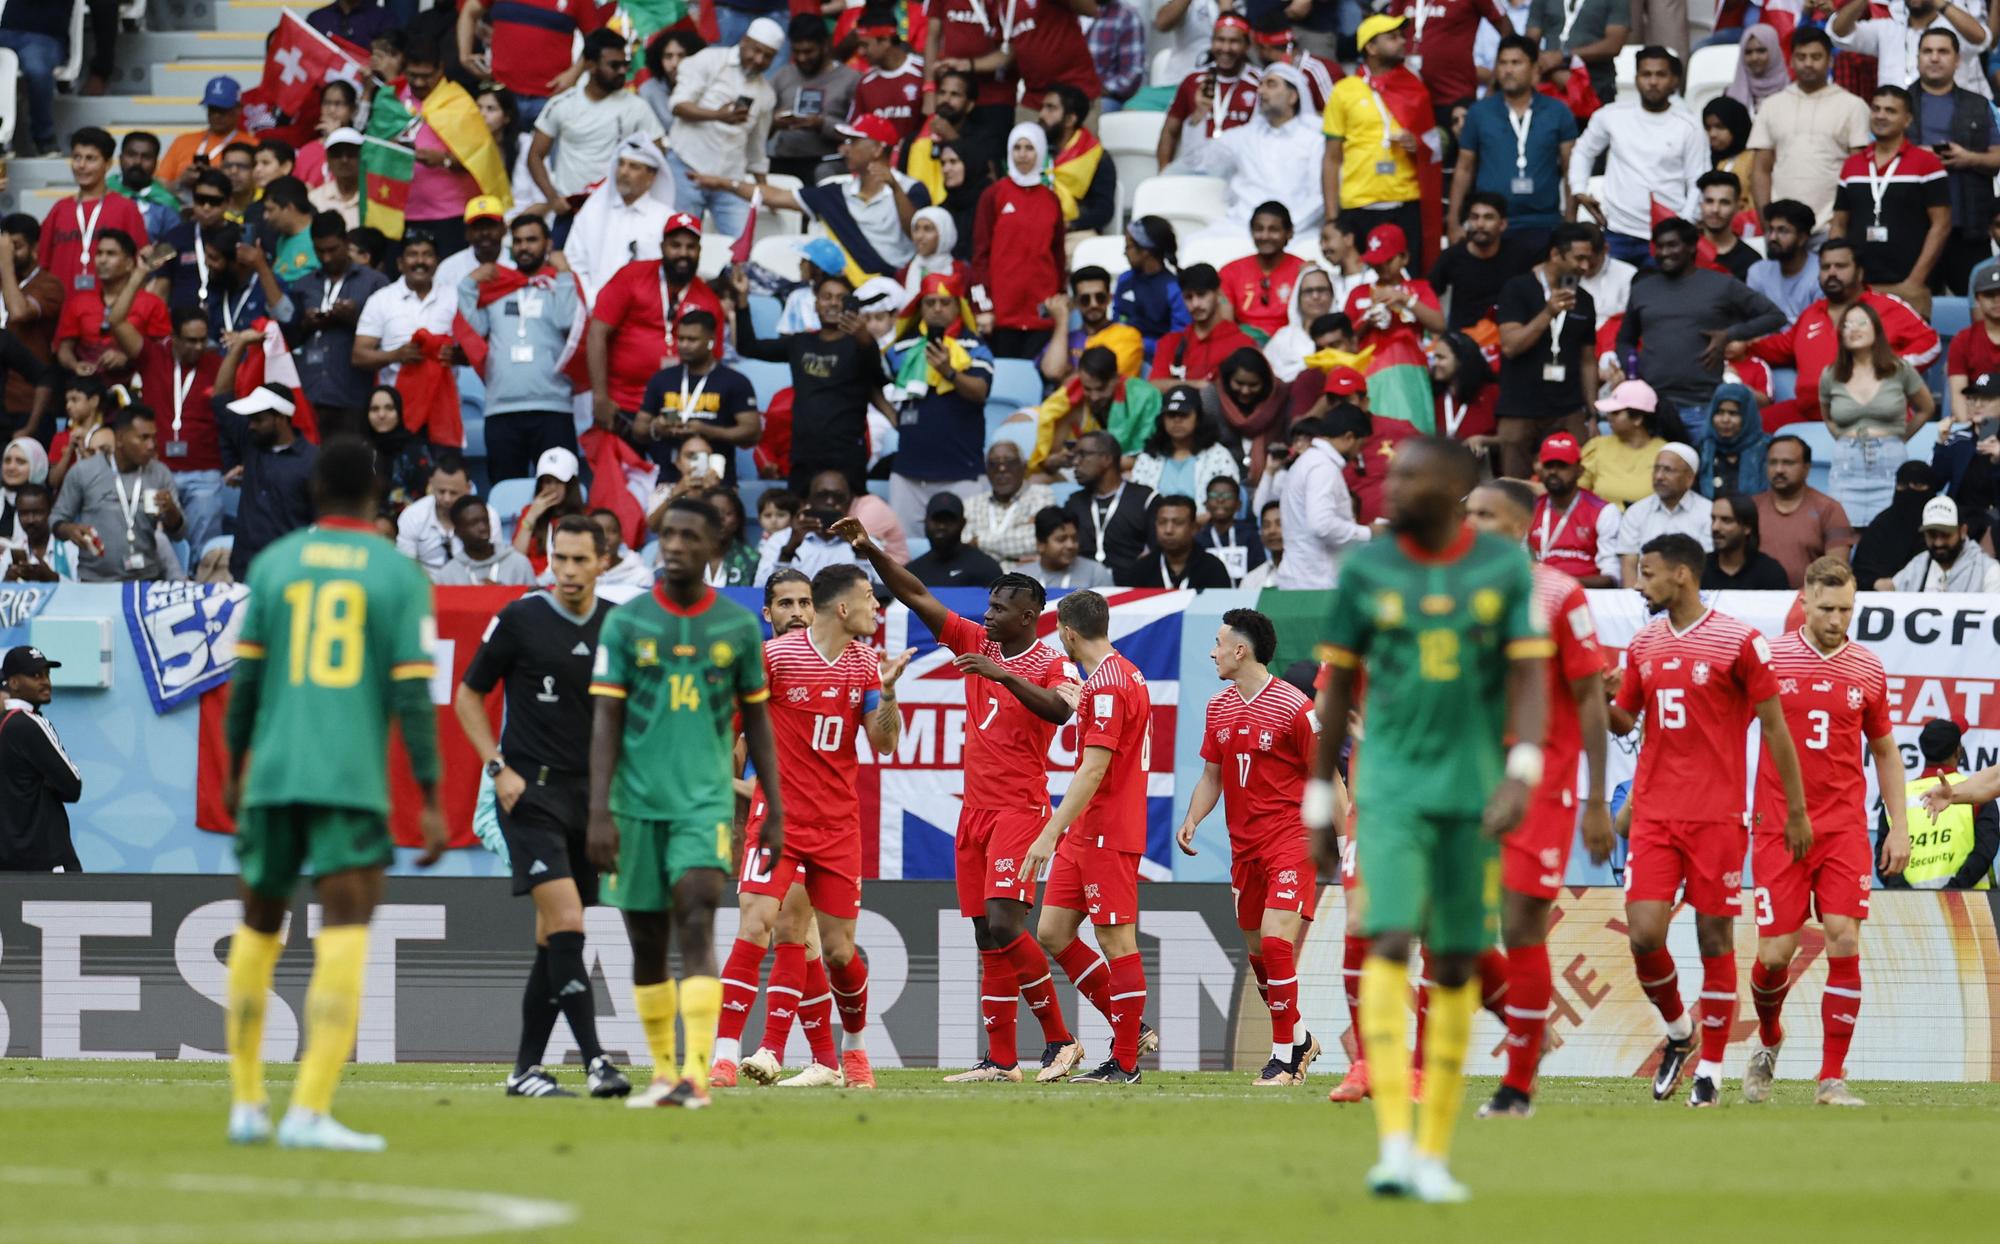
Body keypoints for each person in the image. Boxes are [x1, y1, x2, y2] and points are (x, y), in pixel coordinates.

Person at [1304, 437, 1547, 1197]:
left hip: (1472, 793)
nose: (1390, 483)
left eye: (1408, 473)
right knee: (1390, 937)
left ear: (1452, 486)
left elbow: (1530, 677)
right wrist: (1321, 799)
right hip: (1389, 790)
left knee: (1451, 961)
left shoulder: (1503, 568)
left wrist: (1522, 770)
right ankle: (1394, 1146)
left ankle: (1434, 1154)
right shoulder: (1369, 569)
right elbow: (1335, 692)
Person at [220, 439, 446, 1150]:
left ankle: (249, 1103)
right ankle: (310, 1109)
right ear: (377, 496)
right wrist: (433, 795)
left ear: (314, 492)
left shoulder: (275, 566)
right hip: (349, 781)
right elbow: (415, 695)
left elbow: (245, 686)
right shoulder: (398, 574)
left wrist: (235, 769)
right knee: (344, 932)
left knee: (259, 926)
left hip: (275, 775)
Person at [838, 521, 1091, 1080]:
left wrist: (999, 675)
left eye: (1001, 608)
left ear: (1029, 617)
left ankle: (1061, 1040)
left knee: (1005, 923)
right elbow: (917, 593)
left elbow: (1060, 710)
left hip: (1019, 810)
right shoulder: (976, 640)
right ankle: (1001, 1059)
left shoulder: (1051, 662)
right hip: (974, 812)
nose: (989, 615)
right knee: (984, 932)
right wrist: (869, 549)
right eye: (989, 605)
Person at [585, 497, 781, 1109]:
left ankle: (696, 1076)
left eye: (687, 535)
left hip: (702, 805)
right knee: (645, 942)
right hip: (634, 806)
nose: (673, 545)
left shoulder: (737, 627)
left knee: (696, 922)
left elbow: (759, 721)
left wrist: (774, 804)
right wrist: (597, 813)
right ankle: (665, 1073)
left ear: (713, 546)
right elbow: (605, 722)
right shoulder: (626, 622)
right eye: (666, 534)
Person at [1609, 532, 1807, 1109]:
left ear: (1681, 576)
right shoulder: (1642, 644)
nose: (1639, 583)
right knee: (1644, 933)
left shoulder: (1739, 641)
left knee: (1713, 935)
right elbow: (1625, 723)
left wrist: (1793, 809)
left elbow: (1774, 728)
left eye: (1647, 573)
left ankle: (1711, 1072)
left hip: (1718, 816)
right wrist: (1599, 698)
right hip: (1653, 814)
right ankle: (1679, 1032)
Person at [455, 512, 625, 1095]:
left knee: (553, 936)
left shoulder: (619, 627)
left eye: (581, 559)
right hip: (529, 794)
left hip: (589, 800)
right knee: (569, 922)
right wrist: (496, 768)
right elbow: (468, 697)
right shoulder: (521, 618)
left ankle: (525, 1070)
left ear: (604, 561)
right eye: (560, 558)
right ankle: (597, 1061)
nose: (569, 570)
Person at [1457, 478, 1610, 1117]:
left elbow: (1589, 699)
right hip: (1470, 779)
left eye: (1485, 515)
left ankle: (1517, 1083)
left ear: (1520, 526)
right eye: (1467, 513)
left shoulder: (1559, 594)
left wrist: (1598, 798)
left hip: (1543, 783)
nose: (1472, 524)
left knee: (1518, 922)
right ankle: (1527, 1031)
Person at [726, 562, 904, 1091]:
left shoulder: (861, 665)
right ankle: (771, 1051)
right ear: (768, 612)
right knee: (778, 930)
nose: (797, 614)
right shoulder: (767, 663)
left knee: (820, 945)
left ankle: (819, 1052)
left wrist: (889, 692)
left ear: (820, 606)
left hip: (828, 823)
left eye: (804, 603)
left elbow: (886, 744)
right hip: (771, 821)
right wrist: (754, 806)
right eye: (787, 604)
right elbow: (727, 756)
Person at [1739, 556, 1908, 1109]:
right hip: (1779, 828)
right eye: (1829, 608)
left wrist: (1897, 826)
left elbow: (1884, 751)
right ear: (1805, 602)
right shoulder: (1770, 657)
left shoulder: (1868, 667)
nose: (1839, 619)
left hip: (1842, 828)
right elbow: (1727, 727)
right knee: (1774, 954)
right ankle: (1769, 1038)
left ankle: (1830, 1078)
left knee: (1843, 935)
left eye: (1847, 609)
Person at [1176, 608, 1328, 1086]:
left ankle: (1284, 1058)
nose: (1212, 652)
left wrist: (1343, 840)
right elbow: (1212, 776)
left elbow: (1328, 778)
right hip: (1245, 851)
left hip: (1290, 841)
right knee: (1261, 954)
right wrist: (1193, 818)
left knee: (1278, 945)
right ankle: (1300, 1038)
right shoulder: (1218, 706)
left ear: (1240, 650)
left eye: (1219, 643)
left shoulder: (1296, 707)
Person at [1017, 588, 1158, 1085]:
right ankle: (1130, 1028)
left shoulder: (1109, 686)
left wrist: (1048, 834)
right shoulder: (1119, 676)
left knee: (1116, 940)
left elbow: (1095, 769)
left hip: (1107, 830)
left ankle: (1124, 1063)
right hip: (1088, 831)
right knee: (1053, 931)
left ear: (1068, 632)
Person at [1743, 240, 1941, 430]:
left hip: (1868, 413)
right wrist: (1743, 345)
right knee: (1749, 426)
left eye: (1840, 266)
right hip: (1809, 412)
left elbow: (1930, 343)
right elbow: (1781, 346)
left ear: (1860, 272)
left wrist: (1887, 369)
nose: (1831, 273)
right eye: (1825, 267)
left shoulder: (1887, 306)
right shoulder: (1811, 313)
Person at [1615, 217, 1784, 436]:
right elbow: (1624, 339)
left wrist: (1729, 334)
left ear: (1692, 247)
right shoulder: (1642, 289)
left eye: (1672, 245)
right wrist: (1631, 369)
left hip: (1703, 406)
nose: (1664, 252)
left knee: (1705, 471)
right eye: (1660, 246)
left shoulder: (1722, 284)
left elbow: (1774, 316)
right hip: (1654, 406)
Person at [729, 265, 879, 496]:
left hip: (846, 455)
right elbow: (748, 346)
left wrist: (867, 342)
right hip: (804, 455)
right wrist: (742, 299)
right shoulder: (800, 343)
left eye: (841, 298)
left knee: (848, 524)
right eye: (826, 297)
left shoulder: (860, 344)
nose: (833, 303)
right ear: (815, 304)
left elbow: (878, 377)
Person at [458, 217, 582, 483]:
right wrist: (468, 284)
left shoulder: (559, 284)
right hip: (501, 409)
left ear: (548, 244)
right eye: (518, 241)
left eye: (532, 240)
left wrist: (564, 275)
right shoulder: (496, 286)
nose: (524, 247)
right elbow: (473, 333)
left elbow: (568, 322)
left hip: (553, 407)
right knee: (504, 490)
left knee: (558, 493)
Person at [1568, 48, 1705, 268]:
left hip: (1665, 236)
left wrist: (1683, 227)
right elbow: (1583, 151)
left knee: (1659, 301)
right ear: (1636, 79)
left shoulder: (1689, 126)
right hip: (1616, 232)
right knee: (1612, 301)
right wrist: (1579, 189)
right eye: (1646, 74)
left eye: (1660, 75)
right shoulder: (1611, 115)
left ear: (1674, 81)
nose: (1652, 82)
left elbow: (1698, 181)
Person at [589, 215, 727, 428]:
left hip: (676, 411)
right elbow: (597, 332)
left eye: (691, 247)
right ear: (662, 246)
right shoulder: (632, 276)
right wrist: (600, 397)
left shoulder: (708, 300)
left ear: (699, 251)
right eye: (675, 245)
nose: (683, 253)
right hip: (621, 404)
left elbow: (713, 360)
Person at [1321, 15, 1437, 269]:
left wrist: (1417, 144)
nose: (1401, 42)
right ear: (1370, 48)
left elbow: (1434, 142)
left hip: (1405, 203)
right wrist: (1332, 218)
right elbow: (1331, 159)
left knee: (1407, 283)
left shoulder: (1415, 88)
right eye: (1391, 37)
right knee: (1359, 284)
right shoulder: (1344, 90)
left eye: (1400, 36)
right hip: (1358, 205)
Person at [883, 274, 993, 530]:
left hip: (961, 473)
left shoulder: (975, 347)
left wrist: (949, 372)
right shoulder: (900, 349)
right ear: (920, 307)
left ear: (958, 307)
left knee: (964, 548)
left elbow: (980, 392)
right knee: (902, 557)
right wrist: (892, 416)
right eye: (930, 302)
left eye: (944, 303)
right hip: (908, 474)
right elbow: (871, 382)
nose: (937, 309)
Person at [1829, 86, 1952, 313]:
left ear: (1907, 120)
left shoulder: (1927, 163)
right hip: (1858, 286)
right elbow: (1838, 223)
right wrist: (1840, 273)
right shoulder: (1852, 165)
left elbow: (1941, 224)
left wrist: (1915, 280)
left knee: (1911, 349)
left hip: (1909, 285)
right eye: (1876, 109)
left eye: (1890, 111)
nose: (1881, 116)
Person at [528, 30, 666, 230]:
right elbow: (535, 156)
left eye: (625, 64)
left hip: (617, 211)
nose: (622, 71)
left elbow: (658, 154)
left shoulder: (637, 107)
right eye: (614, 65)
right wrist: (553, 200)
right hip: (571, 211)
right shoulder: (562, 104)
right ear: (590, 65)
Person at [1451, 36, 1579, 251]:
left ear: (1535, 69)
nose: (1508, 70)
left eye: (1516, 63)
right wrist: (1454, 222)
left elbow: (1571, 170)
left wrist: (1570, 220)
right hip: (1491, 226)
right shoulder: (1479, 112)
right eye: (1503, 63)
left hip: (1543, 224)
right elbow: (1464, 168)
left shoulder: (1558, 112)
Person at [1494, 223, 1599, 478]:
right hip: (1519, 409)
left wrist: (1593, 413)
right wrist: (1548, 313)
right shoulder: (1517, 289)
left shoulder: (1584, 299)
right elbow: (1510, 346)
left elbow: (1587, 360)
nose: (1585, 267)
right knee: (1514, 489)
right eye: (1579, 258)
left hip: (1567, 409)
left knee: (1579, 480)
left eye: (1589, 259)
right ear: (1555, 255)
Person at [1820, 299, 1937, 527]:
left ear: (1876, 328)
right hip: (1846, 466)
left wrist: (1898, 438)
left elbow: (1927, 408)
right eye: (1846, 324)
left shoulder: (1899, 369)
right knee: (1841, 534)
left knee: (1890, 532)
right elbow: (1828, 417)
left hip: (1890, 465)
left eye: (1861, 322)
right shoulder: (1830, 374)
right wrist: (1845, 439)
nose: (1853, 329)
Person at [1746, 28, 1871, 232]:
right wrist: (1768, 225)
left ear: (1830, 61)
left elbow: (1859, 173)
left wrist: (1843, 224)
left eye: (1816, 57)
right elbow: (1760, 170)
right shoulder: (1771, 106)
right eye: (1801, 57)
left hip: (1832, 228)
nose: (1808, 63)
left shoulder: (1853, 106)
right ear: (1791, 60)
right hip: (1783, 231)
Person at [1185, 66, 1327, 243]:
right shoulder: (1244, 136)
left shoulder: (1315, 140)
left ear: (1293, 96)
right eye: (1260, 85)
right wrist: (1200, 114)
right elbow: (1196, 161)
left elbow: (1319, 197)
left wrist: (1284, 229)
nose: (1260, 90)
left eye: (1271, 84)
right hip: (1241, 229)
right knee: (1193, 246)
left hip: (1296, 234)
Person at [1907, 28, 2000, 293]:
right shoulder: (1900, 103)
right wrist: (1919, 157)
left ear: (1957, 60)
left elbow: (1997, 157)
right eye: (1928, 51)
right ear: (1917, 58)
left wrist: (1967, 158)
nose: (1935, 58)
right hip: (1916, 227)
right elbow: (1881, 156)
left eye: (1943, 51)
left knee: (1982, 307)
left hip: (1968, 226)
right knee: (1916, 307)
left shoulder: (1979, 104)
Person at [665, 21, 781, 235]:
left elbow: (757, 150)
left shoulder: (766, 94)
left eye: (767, 56)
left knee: (741, 248)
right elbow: (678, 105)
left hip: (729, 181)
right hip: (687, 168)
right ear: (744, 41)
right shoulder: (709, 60)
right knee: (681, 240)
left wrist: (765, 192)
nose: (758, 60)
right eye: (756, 50)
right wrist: (718, 115)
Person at [282, 211, 388, 438]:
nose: (326, 257)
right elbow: (289, 339)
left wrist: (354, 318)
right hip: (311, 390)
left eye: (333, 249)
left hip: (354, 393)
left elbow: (387, 338)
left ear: (346, 243)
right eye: (319, 251)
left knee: (350, 465)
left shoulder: (374, 282)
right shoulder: (303, 285)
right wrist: (307, 323)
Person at [49, 404, 183, 582]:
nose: (152, 445)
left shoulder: (159, 473)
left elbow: (179, 534)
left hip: (146, 579)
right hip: (96, 582)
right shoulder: (84, 471)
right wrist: (69, 529)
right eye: (143, 438)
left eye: (153, 437)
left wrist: (171, 511)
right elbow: (56, 519)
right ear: (120, 438)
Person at [971, 124, 1065, 359]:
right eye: (1017, 148)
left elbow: (1058, 256)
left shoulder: (1051, 200)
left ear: (1041, 152)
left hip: (1040, 315)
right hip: (1001, 316)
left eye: (1030, 148)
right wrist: (983, 307)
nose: (1023, 154)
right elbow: (980, 257)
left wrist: (1058, 300)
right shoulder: (993, 195)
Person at [214, 382, 319, 579]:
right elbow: (220, 397)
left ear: (280, 418)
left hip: (289, 574)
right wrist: (237, 349)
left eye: (258, 419)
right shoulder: (251, 444)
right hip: (243, 570)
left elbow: (321, 522)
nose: (251, 425)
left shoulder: (314, 461)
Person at [0, 646, 81, 871]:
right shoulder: (30, 723)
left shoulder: (5, 723)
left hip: (9, 865)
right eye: (35, 675)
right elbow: (72, 787)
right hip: (47, 862)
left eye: (47, 674)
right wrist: (46, 780)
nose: (45, 682)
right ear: (13, 683)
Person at [753, 469, 902, 584]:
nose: (830, 502)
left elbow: (884, 594)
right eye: (822, 495)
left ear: (848, 504)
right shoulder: (781, 540)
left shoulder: (867, 544)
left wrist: (860, 554)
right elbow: (760, 589)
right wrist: (787, 552)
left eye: (838, 497)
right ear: (808, 501)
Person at [1747, 435, 1854, 588]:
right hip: (1752, 603)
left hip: (1810, 603)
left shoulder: (1831, 509)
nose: (1779, 470)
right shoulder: (1751, 506)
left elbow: (1837, 570)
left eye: (1788, 463)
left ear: (1807, 467)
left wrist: (1799, 601)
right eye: (1773, 463)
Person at [1158, 14, 1262, 172]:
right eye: (1220, 40)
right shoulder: (1192, 80)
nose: (1226, 49)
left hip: (1238, 170)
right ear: (1212, 42)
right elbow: (1170, 131)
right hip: (1196, 166)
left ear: (1247, 45)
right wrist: (1163, 170)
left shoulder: (1260, 83)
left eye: (1234, 42)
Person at [1830, 0, 1992, 100]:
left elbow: (1982, 38)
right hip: (1895, 123)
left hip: (1947, 119)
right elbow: (1839, 33)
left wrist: (1939, 2)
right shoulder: (1888, 28)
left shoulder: (1952, 30)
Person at [353, 236, 456, 388]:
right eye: (412, 255)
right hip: (396, 404)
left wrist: (456, 355)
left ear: (436, 262)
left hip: (444, 401)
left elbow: (473, 350)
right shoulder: (381, 299)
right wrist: (395, 355)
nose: (420, 261)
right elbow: (359, 356)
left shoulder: (453, 297)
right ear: (400, 263)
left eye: (427, 254)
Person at [767, 15, 859, 185]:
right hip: (783, 160)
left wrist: (821, 124)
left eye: (808, 51)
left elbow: (858, 131)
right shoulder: (782, 76)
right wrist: (773, 121)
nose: (802, 58)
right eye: (797, 52)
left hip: (828, 162)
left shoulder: (850, 79)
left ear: (825, 45)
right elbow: (760, 122)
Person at [1907, 719, 2000, 888]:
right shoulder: (1975, 794)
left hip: (1909, 905)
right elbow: (1985, 852)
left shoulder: (1900, 794)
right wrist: (1953, 891)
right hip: (1970, 904)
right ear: (1959, 751)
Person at [1430, 192, 1535, 331]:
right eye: (1474, 217)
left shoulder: (1519, 255)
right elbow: (1429, 294)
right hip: (1462, 341)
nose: (1480, 224)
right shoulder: (1452, 256)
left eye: (1488, 218)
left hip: (1505, 339)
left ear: (1502, 224)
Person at [1527, 432, 1621, 585]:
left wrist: (1562, 584)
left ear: (1580, 470)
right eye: (1548, 465)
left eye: (1562, 466)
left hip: (1591, 597)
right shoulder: (1529, 509)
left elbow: (1612, 579)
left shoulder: (1603, 511)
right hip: (1541, 595)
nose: (1553, 471)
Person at [1062, 429, 1156, 581]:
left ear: (1106, 458)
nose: (1075, 462)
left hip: (1133, 589)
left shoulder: (1146, 498)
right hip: (1083, 591)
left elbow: (1157, 552)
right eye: (1074, 456)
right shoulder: (1074, 502)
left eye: (1083, 455)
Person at [1614, 442, 1713, 585]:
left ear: (1689, 478)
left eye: (1668, 470)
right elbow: (1629, 564)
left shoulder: (1708, 512)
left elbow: (1705, 566)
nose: (1659, 476)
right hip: (1644, 597)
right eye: (1656, 469)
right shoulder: (1636, 512)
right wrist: (1632, 600)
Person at [1131, 383, 1240, 502]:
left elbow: (1228, 501)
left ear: (1198, 418)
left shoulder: (1219, 456)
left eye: (1184, 414)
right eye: (1171, 415)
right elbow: (1137, 502)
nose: (1177, 420)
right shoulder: (1149, 456)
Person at [1344, 223, 1446, 350]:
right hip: (1369, 365)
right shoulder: (1358, 293)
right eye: (1377, 261)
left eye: (1388, 260)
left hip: (1410, 363)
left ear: (1405, 258)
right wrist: (1367, 321)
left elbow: (1439, 325)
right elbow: (1344, 340)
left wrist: (1404, 299)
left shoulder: (1420, 288)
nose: (1382, 265)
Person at [1040, 265, 1144, 386]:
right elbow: (1052, 372)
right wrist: (1062, 321)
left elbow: (1101, 381)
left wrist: (1067, 375)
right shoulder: (1065, 338)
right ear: (1076, 303)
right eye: (1085, 299)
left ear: (1110, 298)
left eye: (1100, 298)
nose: (1093, 304)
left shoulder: (1128, 335)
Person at [964, 441, 1054, 565]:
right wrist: (1013, 556)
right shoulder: (971, 505)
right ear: (986, 470)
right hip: (982, 577)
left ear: (1024, 466)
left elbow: (1037, 540)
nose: (1002, 468)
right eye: (994, 463)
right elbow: (964, 546)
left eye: (1010, 461)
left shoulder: (1041, 496)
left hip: (1025, 578)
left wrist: (980, 542)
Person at [1524, 0, 1627, 107]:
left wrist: (1563, 57)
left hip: (1595, 86)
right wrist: (1550, 68)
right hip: (1550, 84)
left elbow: (1614, 45)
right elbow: (1530, 43)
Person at [1885, 494, 2000, 589]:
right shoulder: (1918, 565)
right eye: (1932, 535)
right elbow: (1892, 591)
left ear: (1963, 531)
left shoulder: (1989, 571)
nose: (1938, 543)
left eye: (1946, 535)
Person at [1114, 216, 1189, 360]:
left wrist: (1139, 344)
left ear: (1145, 251)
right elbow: (1118, 319)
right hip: (1123, 354)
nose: (1125, 253)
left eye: (1128, 246)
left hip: (1158, 361)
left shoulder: (1174, 289)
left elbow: (1178, 340)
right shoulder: (1124, 280)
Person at [903, 492, 1006, 588]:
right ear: (925, 522)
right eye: (936, 519)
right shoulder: (911, 573)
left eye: (949, 520)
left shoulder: (986, 568)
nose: (941, 526)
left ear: (963, 524)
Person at [1131, 493, 1233, 588]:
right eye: (1162, 522)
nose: (1168, 530)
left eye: (1178, 523)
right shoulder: (1141, 569)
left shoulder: (1213, 569)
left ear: (1193, 528)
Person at [1745, 200, 1821, 326]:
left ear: (1802, 238)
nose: (1773, 237)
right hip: (1766, 343)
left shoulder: (1821, 273)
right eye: (1771, 230)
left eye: (1782, 231)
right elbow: (1753, 322)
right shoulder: (1758, 272)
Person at [393, 451, 470, 573]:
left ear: (468, 489)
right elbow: (406, 569)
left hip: (470, 587)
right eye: (441, 491)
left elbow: (491, 567)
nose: (447, 499)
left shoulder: (487, 517)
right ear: (431, 485)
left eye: (454, 493)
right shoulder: (412, 516)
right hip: (425, 587)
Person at [432, 497, 534, 586]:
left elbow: (536, 605)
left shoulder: (519, 564)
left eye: (485, 520)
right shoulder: (447, 575)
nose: (483, 527)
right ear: (457, 532)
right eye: (473, 523)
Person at [1265, 265, 1338, 385]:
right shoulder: (1283, 338)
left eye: (1321, 290)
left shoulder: (1342, 336)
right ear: (1298, 298)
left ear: (1332, 294)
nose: (1316, 296)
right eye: (1309, 291)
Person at [1696, 383, 1770, 499]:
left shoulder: (1767, 449)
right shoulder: (1702, 449)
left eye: (1733, 413)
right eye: (1719, 412)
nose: (1725, 420)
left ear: (1747, 415)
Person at [1701, 492, 1789, 588]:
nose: (1715, 527)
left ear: (1747, 527)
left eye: (1726, 520)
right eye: (1713, 519)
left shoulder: (1770, 572)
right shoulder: (1698, 569)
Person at [108, 132, 182, 244]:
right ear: (120, 158)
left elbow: (173, 247)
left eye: (146, 157)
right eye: (131, 155)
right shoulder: (103, 193)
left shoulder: (166, 204)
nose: (138, 162)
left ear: (156, 163)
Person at [1024, 505, 1115, 589]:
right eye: (1061, 539)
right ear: (1040, 544)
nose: (1070, 545)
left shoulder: (1095, 573)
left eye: (1075, 538)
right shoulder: (1022, 579)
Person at [1695, 171, 1757, 282]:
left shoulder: (1751, 261)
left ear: (1737, 207)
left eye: (1724, 202)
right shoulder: (1684, 251)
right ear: (1701, 205)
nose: (1715, 209)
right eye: (1709, 201)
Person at [1084, 0, 1147, 109]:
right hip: (1065, 94)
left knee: (1096, 111)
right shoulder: (1065, 13)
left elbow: (1132, 74)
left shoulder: (1126, 16)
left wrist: (1096, 91)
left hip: (1105, 96)